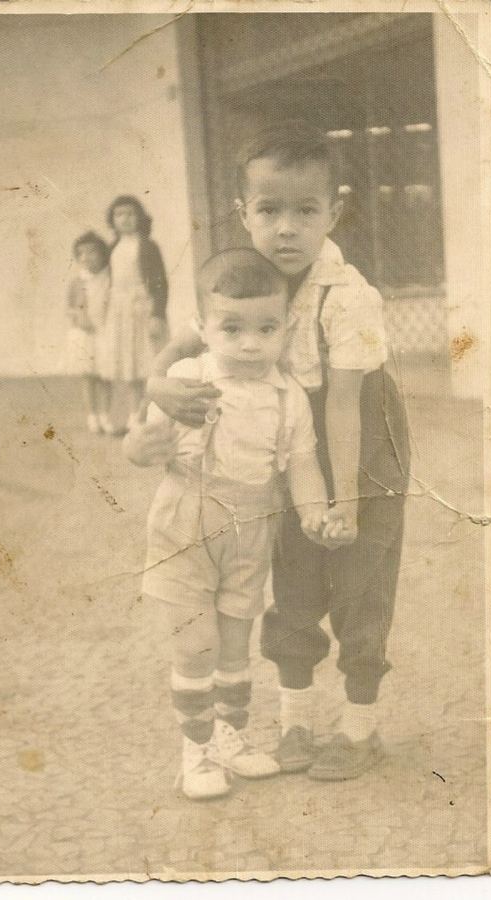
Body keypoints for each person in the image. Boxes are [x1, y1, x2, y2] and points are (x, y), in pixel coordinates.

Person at [141, 119, 410, 782]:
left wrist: (340, 503)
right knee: (288, 575)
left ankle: (358, 727)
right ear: (244, 212)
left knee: (356, 579)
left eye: (304, 211)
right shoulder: (242, 278)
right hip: (275, 438)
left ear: (333, 213)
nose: (286, 228)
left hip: (359, 441)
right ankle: (294, 723)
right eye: (269, 211)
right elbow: (182, 346)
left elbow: (344, 406)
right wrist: (155, 385)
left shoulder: (345, 296)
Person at [124, 248, 332, 800]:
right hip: (183, 528)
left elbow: (303, 463)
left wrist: (313, 510)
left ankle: (230, 738)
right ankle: (194, 751)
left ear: (285, 328)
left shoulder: (288, 396)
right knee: (196, 647)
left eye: (266, 328)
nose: (249, 342)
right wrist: (140, 445)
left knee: (237, 647)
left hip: (251, 532)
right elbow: (142, 447)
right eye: (232, 328)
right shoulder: (186, 379)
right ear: (202, 328)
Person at [101, 195, 168, 433]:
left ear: (139, 217)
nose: (125, 219)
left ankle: (151, 415)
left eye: (130, 214)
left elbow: (160, 282)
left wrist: (157, 314)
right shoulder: (111, 248)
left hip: (142, 309)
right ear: (113, 219)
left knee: (146, 362)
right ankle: (133, 415)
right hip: (120, 311)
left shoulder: (148, 246)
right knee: (128, 365)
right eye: (119, 214)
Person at [65, 231, 112, 434]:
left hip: (106, 333)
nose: (87, 257)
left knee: (106, 375)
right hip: (85, 334)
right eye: (81, 253)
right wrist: (79, 317)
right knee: (88, 376)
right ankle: (92, 416)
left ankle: (105, 415)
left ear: (103, 254)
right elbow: (70, 308)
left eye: (92, 252)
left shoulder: (110, 279)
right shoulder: (77, 282)